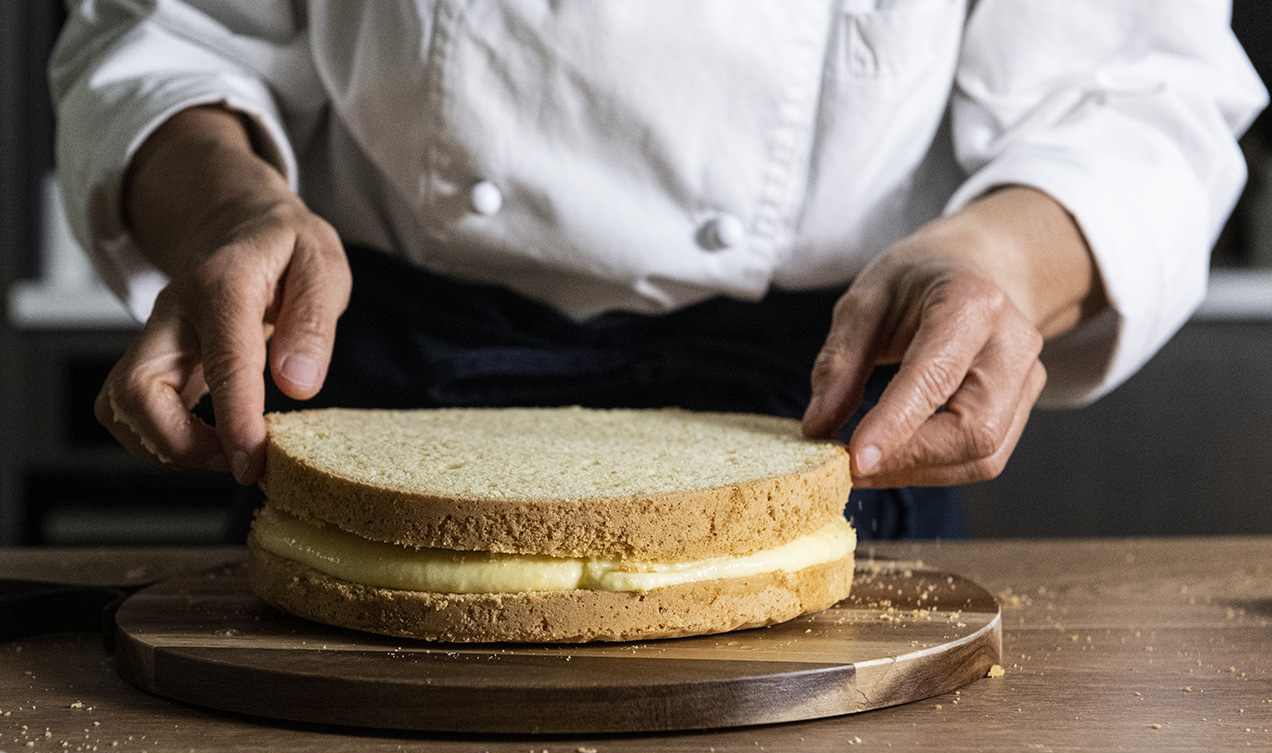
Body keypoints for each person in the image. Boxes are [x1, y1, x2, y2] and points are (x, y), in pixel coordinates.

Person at [50, 2, 1265, 538]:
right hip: (373, 390)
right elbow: (167, 32)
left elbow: (1138, 92)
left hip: (821, 409)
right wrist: (227, 207)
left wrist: (994, 255)